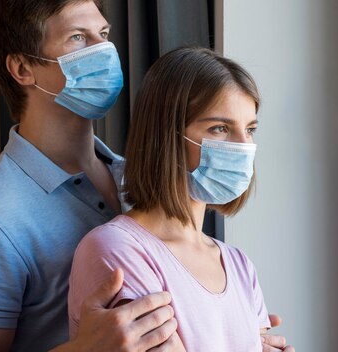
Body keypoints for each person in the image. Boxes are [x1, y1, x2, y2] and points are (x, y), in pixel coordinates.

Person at [0, 0, 292, 351]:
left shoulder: (146, 181)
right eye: (79, 38)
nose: (104, 52)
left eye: (105, 34)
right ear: (22, 68)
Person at [68, 47, 295, 352]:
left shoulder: (238, 265)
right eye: (220, 128)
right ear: (167, 135)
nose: (243, 147)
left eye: (250, 129)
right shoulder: (117, 249)